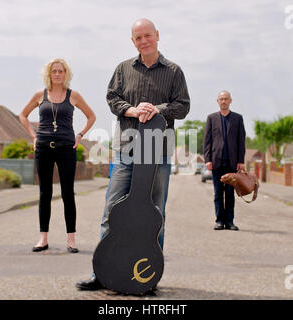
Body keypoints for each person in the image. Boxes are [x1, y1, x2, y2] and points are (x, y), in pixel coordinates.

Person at [76, 18, 190, 290]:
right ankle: (103, 273)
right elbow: (112, 98)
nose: (143, 41)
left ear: (157, 36)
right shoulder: (123, 69)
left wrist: (157, 109)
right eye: (137, 37)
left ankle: (148, 277)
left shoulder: (174, 71)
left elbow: (183, 106)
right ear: (133, 41)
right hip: (126, 152)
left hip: (157, 153)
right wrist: (132, 110)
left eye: (147, 35)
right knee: (111, 209)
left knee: (154, 214)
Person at [19, 58, 96, 253]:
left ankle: (71, 240)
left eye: (61, 71)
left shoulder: (73, 95)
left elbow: (91, 116)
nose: (57, 74)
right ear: (49, 74)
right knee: (45, 193)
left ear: (66, 74)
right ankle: (43, 238)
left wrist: (79, 135)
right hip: (43, 147)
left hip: (66, 148)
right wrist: (33, 136)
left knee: (67, 193)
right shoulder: (40, 95)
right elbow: (23, 115)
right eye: (54, 71)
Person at [203, 90, 246, 231]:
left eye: (226, 99)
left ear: (230, 101)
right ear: (217, 101)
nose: (223, 101)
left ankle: (230, 222)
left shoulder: (238, 118)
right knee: (217, 194)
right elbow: (207, 141)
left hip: (232, 163)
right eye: (221, 99)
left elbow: (241, 141)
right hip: (216, 162)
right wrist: (207, 159)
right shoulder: (211, 118)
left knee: (230, 194)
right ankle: (220, 221)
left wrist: (241, 160)